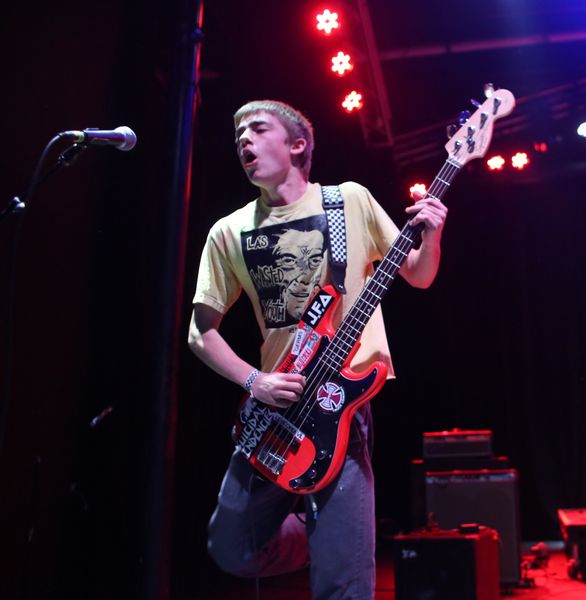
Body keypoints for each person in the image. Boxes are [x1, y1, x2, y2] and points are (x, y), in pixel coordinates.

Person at [188, 99, 447, 598]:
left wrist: (432, 238)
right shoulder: (228, 231)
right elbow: (202, 332)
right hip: (275, 410)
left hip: (339, 406)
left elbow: (418, 274)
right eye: (237, 134)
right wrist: (254, 381)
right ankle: (320, 537)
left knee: (344, 585)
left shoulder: (349, 200)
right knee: (233, 547)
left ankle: (338, 545)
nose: (243, 140)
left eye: (257, 129)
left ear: (297, 144)